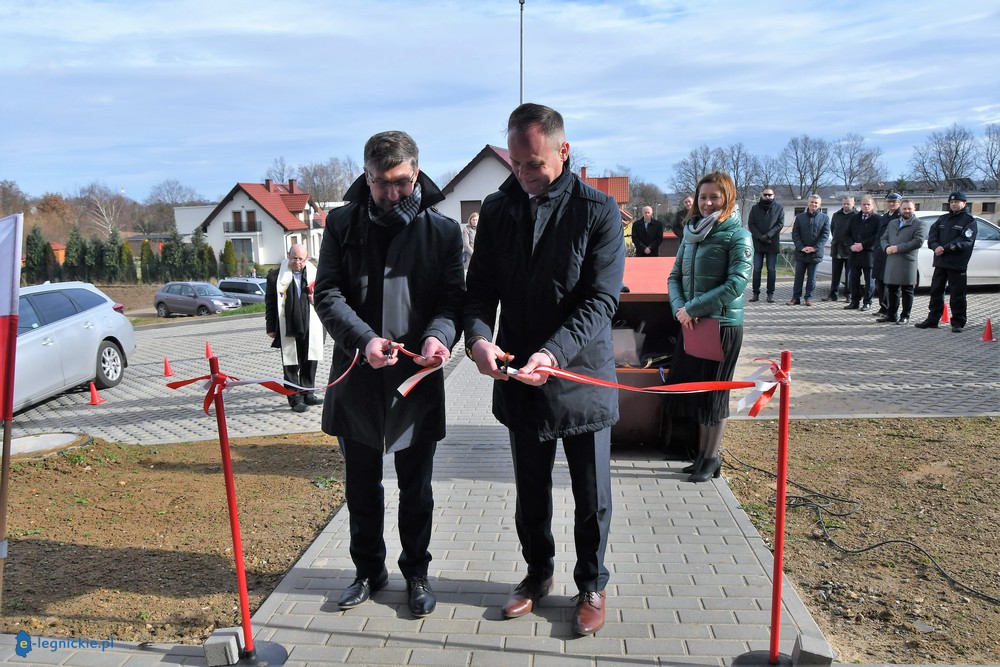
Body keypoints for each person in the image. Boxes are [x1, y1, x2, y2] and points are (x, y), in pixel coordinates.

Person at [463, 103, 625, 636]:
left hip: (580, 376)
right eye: (515, 163)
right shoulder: (499, 208)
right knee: (530, 491)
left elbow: (599, 303)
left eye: (534, 163)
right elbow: (481, 289)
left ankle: (592, 584)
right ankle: (537, 575)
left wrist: (552, 355)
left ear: (564, 150)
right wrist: (480, 338)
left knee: (590, 496)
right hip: (518, 376)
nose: (524, 175)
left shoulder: (598, 211)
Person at [312, 130, 465, 618]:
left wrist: (439, 336)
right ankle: (368, 570)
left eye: (400, 182)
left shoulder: (442, 232)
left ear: (416, 173)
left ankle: (416, 572)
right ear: (366, 176)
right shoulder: (341, 223)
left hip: (415, 381)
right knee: (361, 487)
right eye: (381, 184)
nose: (391, 193)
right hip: (357, 376)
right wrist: (363, 340)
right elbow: (328, 294)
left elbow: (451, 302)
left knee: (415, 488)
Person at [666, 171, 752, 482]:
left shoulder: (738, 236)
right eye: (703, 197)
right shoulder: (690, 234)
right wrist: (681, 310)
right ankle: (702, 456)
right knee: (698, 393)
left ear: (727, 199)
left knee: (715, 394)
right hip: (692, 324)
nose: (707, 203)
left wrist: (693, 308)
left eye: (714, 197)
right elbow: (674, 277)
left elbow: (736, 283)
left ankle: (712, 458)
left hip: (722, 326)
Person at [265, 244, 324, 413]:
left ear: (307, 259)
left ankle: (308, 393)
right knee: (291, 364)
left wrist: (317, 300)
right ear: (288, 256)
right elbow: (269, 303)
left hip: (310, 324)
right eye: (294, 258)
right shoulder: (275, 276)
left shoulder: (316, 275)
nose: (297, 262)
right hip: (287, 325)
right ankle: (295, 398)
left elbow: (327, 296)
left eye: (300, 259)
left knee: (310, 360)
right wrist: (270, 327)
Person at [915, 191, 977, 333]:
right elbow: (932, 235)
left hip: (957, 263)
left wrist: (946, 248)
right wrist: (936, 246)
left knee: (957, 293)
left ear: (964, 204)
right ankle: (932, 319)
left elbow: (965, 240)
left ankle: (958, 322)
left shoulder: (969, 221)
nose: (954, 204)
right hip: (940, 261)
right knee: (936, 291)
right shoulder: (943, 219)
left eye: (957, 202)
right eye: (951, 202)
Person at [877, 199, 925, 324]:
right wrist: (886, 247)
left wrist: (897, 248)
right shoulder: (893, 223)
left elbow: (917, 241)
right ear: (901, 209)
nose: (907, 211)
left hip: (907, 261)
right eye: (904, 208)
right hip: (892, 260)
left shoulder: (919, 224)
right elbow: (883, 238)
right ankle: (891, 315)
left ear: (914, 209)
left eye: (909, 208)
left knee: (907, 290)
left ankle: (905, 316)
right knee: (892, 289)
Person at [787, 194, 830, 306]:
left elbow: (824, 236)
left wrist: (814, 248)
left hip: (815, 254)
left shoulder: (825, 218)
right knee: (798, 277)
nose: (813, 204)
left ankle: (809, 298)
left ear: (820, 204)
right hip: (801, 252)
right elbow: (795, 234)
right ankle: (795, 298)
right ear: (808, 203)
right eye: (812, 202)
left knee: (811, 279)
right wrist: (802, 247)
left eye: (816, 203)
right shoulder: (800, 217)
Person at [745, 187, 784, 302]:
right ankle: (755, 293)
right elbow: (751, 224)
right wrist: (759, 236)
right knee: (757, 269)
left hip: (771, 243)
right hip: (758, 243)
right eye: (765, 194)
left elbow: (780, 224)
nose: (767, 197)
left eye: (770, 195)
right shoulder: (755, 208)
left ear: (774, 195)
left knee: (771, 270)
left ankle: (770, 294)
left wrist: (768, 235)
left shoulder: (779, 208)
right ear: (761, 195)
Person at [843, 195, 879, 312]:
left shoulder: (877, 219)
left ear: (872, 205)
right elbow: (846, 234)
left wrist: (863, 245)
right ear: (860, 205)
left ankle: (867, 302)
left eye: (868, 204)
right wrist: (851, 245)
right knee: (853, 279)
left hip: (869, 254)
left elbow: (877, 237)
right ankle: (854, 301)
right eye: (864, 204)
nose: (866, 206)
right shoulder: (854, 218)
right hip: (854, 253)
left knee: (869, 280)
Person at [871, 193, 901, 316]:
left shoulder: (900, 217)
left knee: (891, 283)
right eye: (889, 202)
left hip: (892, 252)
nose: (891, 204)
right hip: (880, 252)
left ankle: (891, 309)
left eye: (894, 202)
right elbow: (879, 235)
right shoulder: (884, 217)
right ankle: (883, 307)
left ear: (899, 203)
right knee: (880, 281)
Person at [823, 196, 855, 302]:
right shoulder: (836, 215)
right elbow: (833, 229)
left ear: (853, 203)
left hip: (850, 249)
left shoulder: (856, 216)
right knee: (835, 273)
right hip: (837, 247)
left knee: (849, 274)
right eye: (844, 203)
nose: (846, 205)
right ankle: (833, 294)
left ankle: (849, 294)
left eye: (848, 203)